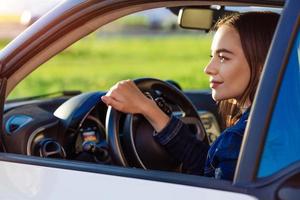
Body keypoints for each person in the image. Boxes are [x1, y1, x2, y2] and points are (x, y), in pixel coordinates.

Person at [101, 12, 279, 180]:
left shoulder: (239, 140)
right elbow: (205, 166)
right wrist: (149, 109)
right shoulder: (275, 124)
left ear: (262, 66)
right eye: (212, 56)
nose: (208, 68)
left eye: (223, 57)